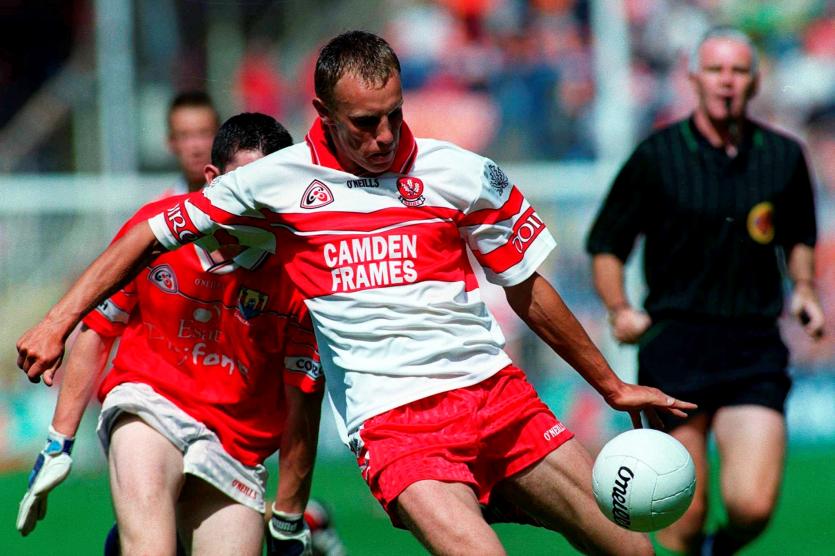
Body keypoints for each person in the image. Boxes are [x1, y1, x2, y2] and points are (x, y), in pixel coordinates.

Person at [17, 31, 696, 555]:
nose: (384, 137)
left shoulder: (459, 172)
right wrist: (57, 323)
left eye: (393, 116)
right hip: (396, 426)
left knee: (632, 548)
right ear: (323, 113)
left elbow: (526, 288)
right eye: (364, 123)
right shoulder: (278, 182)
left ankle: (500, 494)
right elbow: (149, 233)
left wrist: (610, 385)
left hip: (497, 397)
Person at [17, 113, 330, 556]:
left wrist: (289, 515)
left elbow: (304, 402)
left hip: (237, 444)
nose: (254, 202)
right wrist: (58, 441)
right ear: (213, 179)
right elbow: (98, 329)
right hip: (150, 403)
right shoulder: (156, 228)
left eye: (270, 187)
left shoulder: (303, 269)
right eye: (244, 185)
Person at [586, 26, 825, 555]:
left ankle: (719, 548)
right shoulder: (657, 155)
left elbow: (799, 236)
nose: (726, 81)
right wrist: (619, 308)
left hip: (753, 348)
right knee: (681, 516)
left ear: (755, 82)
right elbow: (606, 244)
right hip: (675, 348)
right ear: (693, 77)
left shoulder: (783, 156)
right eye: (716, 70)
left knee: (752, 506)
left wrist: (805, 289)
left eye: (738, 71)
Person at [166, 90, 220, 193]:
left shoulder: (242, 198)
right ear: (171, 142)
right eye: (184, 136)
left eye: (204, 134)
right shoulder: (161, 203)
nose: (196, 147)